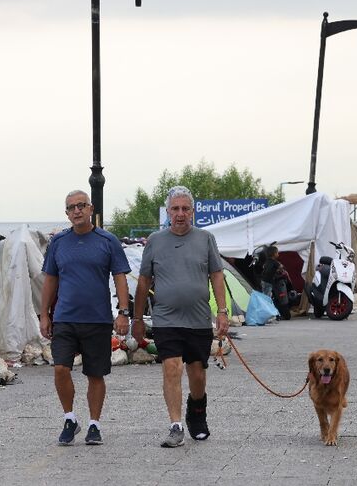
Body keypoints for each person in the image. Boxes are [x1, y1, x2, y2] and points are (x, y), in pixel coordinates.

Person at [132, 186, 229, 448]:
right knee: (171, 367)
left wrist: (222, 311)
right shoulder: (155, 240)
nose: (180, 214)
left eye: (185, 209)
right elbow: (143, 281)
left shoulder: (206, 238)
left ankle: (197, 411)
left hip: (198, 319)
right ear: (168, 212)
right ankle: (176, 425)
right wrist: (137, 318)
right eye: (175, 209)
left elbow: (217, 275)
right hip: (166, 319)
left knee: (197, 374)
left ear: (193, 212)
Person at [40, 190, 132, 446]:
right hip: (65, 319)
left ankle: (94, 424)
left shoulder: (107, 240)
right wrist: (44, 315)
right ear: (66, 213)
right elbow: (50, 279)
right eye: (71, 207)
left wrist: (123, 313)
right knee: (60, 368)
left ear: (91, 209)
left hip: (98, 319)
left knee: (95, 374)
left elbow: (120, 277)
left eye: (81, 205)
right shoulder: (58, 243)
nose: (77, 210)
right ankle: (70, 418)